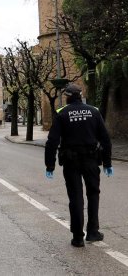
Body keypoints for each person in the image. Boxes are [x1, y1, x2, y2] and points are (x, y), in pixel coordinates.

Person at [44, 83, 114, 247]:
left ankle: (77, 237)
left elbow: (52, 141)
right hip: (91, 160)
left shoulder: (62, 113)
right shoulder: (94, 111)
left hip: (71, 162)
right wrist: (107, 162)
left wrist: (50, 165)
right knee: (93, 194)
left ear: (67, 96)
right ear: (80, 95)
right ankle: (93, 232)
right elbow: (105, 139)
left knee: (75, 198)